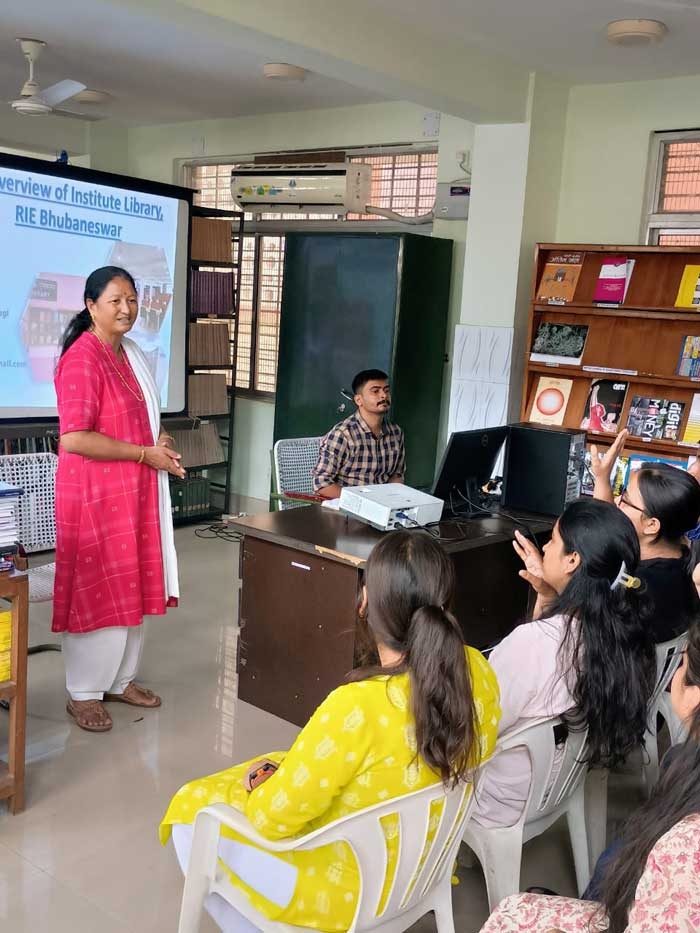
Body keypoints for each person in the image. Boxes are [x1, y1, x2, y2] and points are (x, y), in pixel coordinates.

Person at [160, 531, 501, 932]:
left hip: (351, 891)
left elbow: (272, 821)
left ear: (365, 603)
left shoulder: (358, 707)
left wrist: (260, 787)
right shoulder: (477, 669)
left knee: (192, 815)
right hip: (424, 864)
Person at [477, 620, 700, 933]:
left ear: (695, 697)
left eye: (683, 665)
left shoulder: (683, 848)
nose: (676, 674)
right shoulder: (683, 768)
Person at [53, 266, 186, 733]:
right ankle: (84, 692)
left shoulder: (131, 352)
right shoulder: (81, 359)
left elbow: (148, 420)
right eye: (116, 300)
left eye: (132, 299)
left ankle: (121, 679)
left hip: (134, 491)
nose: (127, 308)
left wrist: (162, 445)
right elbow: (74, 439)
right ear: (91, 306)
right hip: (93, 496)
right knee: (98, 590)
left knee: (131, 582)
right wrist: (144, 453)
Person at [471, 498, 656, 828]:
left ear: (573, 560)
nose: (544, 546)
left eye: (553, 540)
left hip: (498, 798)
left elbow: (481, 724)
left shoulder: (534, 643)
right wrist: (546, 593)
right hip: (554, 787)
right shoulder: (611, 633)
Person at [590, 429, 700, 642]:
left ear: (651, 525)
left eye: (625, 497)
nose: (617, 503)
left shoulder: (635, 591)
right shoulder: (681, 558)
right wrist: (602, 478)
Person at [312, 369, 405, 499]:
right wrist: (362, 502)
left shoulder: (396, 433)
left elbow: (396, 474)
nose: (383, 395)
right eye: (375, 391)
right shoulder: (343, 435)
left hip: (382, 507)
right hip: (347, 509)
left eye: (386, 390)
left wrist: (392, 499)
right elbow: (322, 485)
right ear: (359, 400)